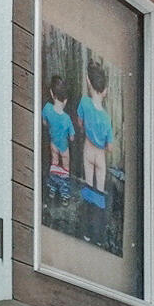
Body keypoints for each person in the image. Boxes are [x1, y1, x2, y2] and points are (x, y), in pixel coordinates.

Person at [76, 57, 116, 211]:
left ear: (88, 81)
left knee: (88, 186)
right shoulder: (107, 118)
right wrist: (105, 144)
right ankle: (97, 223)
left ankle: (86, 227)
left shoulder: (84, 102)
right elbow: (110, 147)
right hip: (100, 155)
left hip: (88, 150)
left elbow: (80, 122)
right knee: (99, 191)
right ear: (105, 91)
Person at [41, 72, 77, 208]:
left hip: (53, 143)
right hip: (64, 146)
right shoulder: (67, 119)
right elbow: (72, 137)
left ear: (51, 93)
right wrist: (69, 136)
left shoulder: (47, 109)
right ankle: (64, 195)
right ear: (66, 100)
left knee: (54, 163)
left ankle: (52, 188)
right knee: (65, 168)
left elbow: (44, 122)